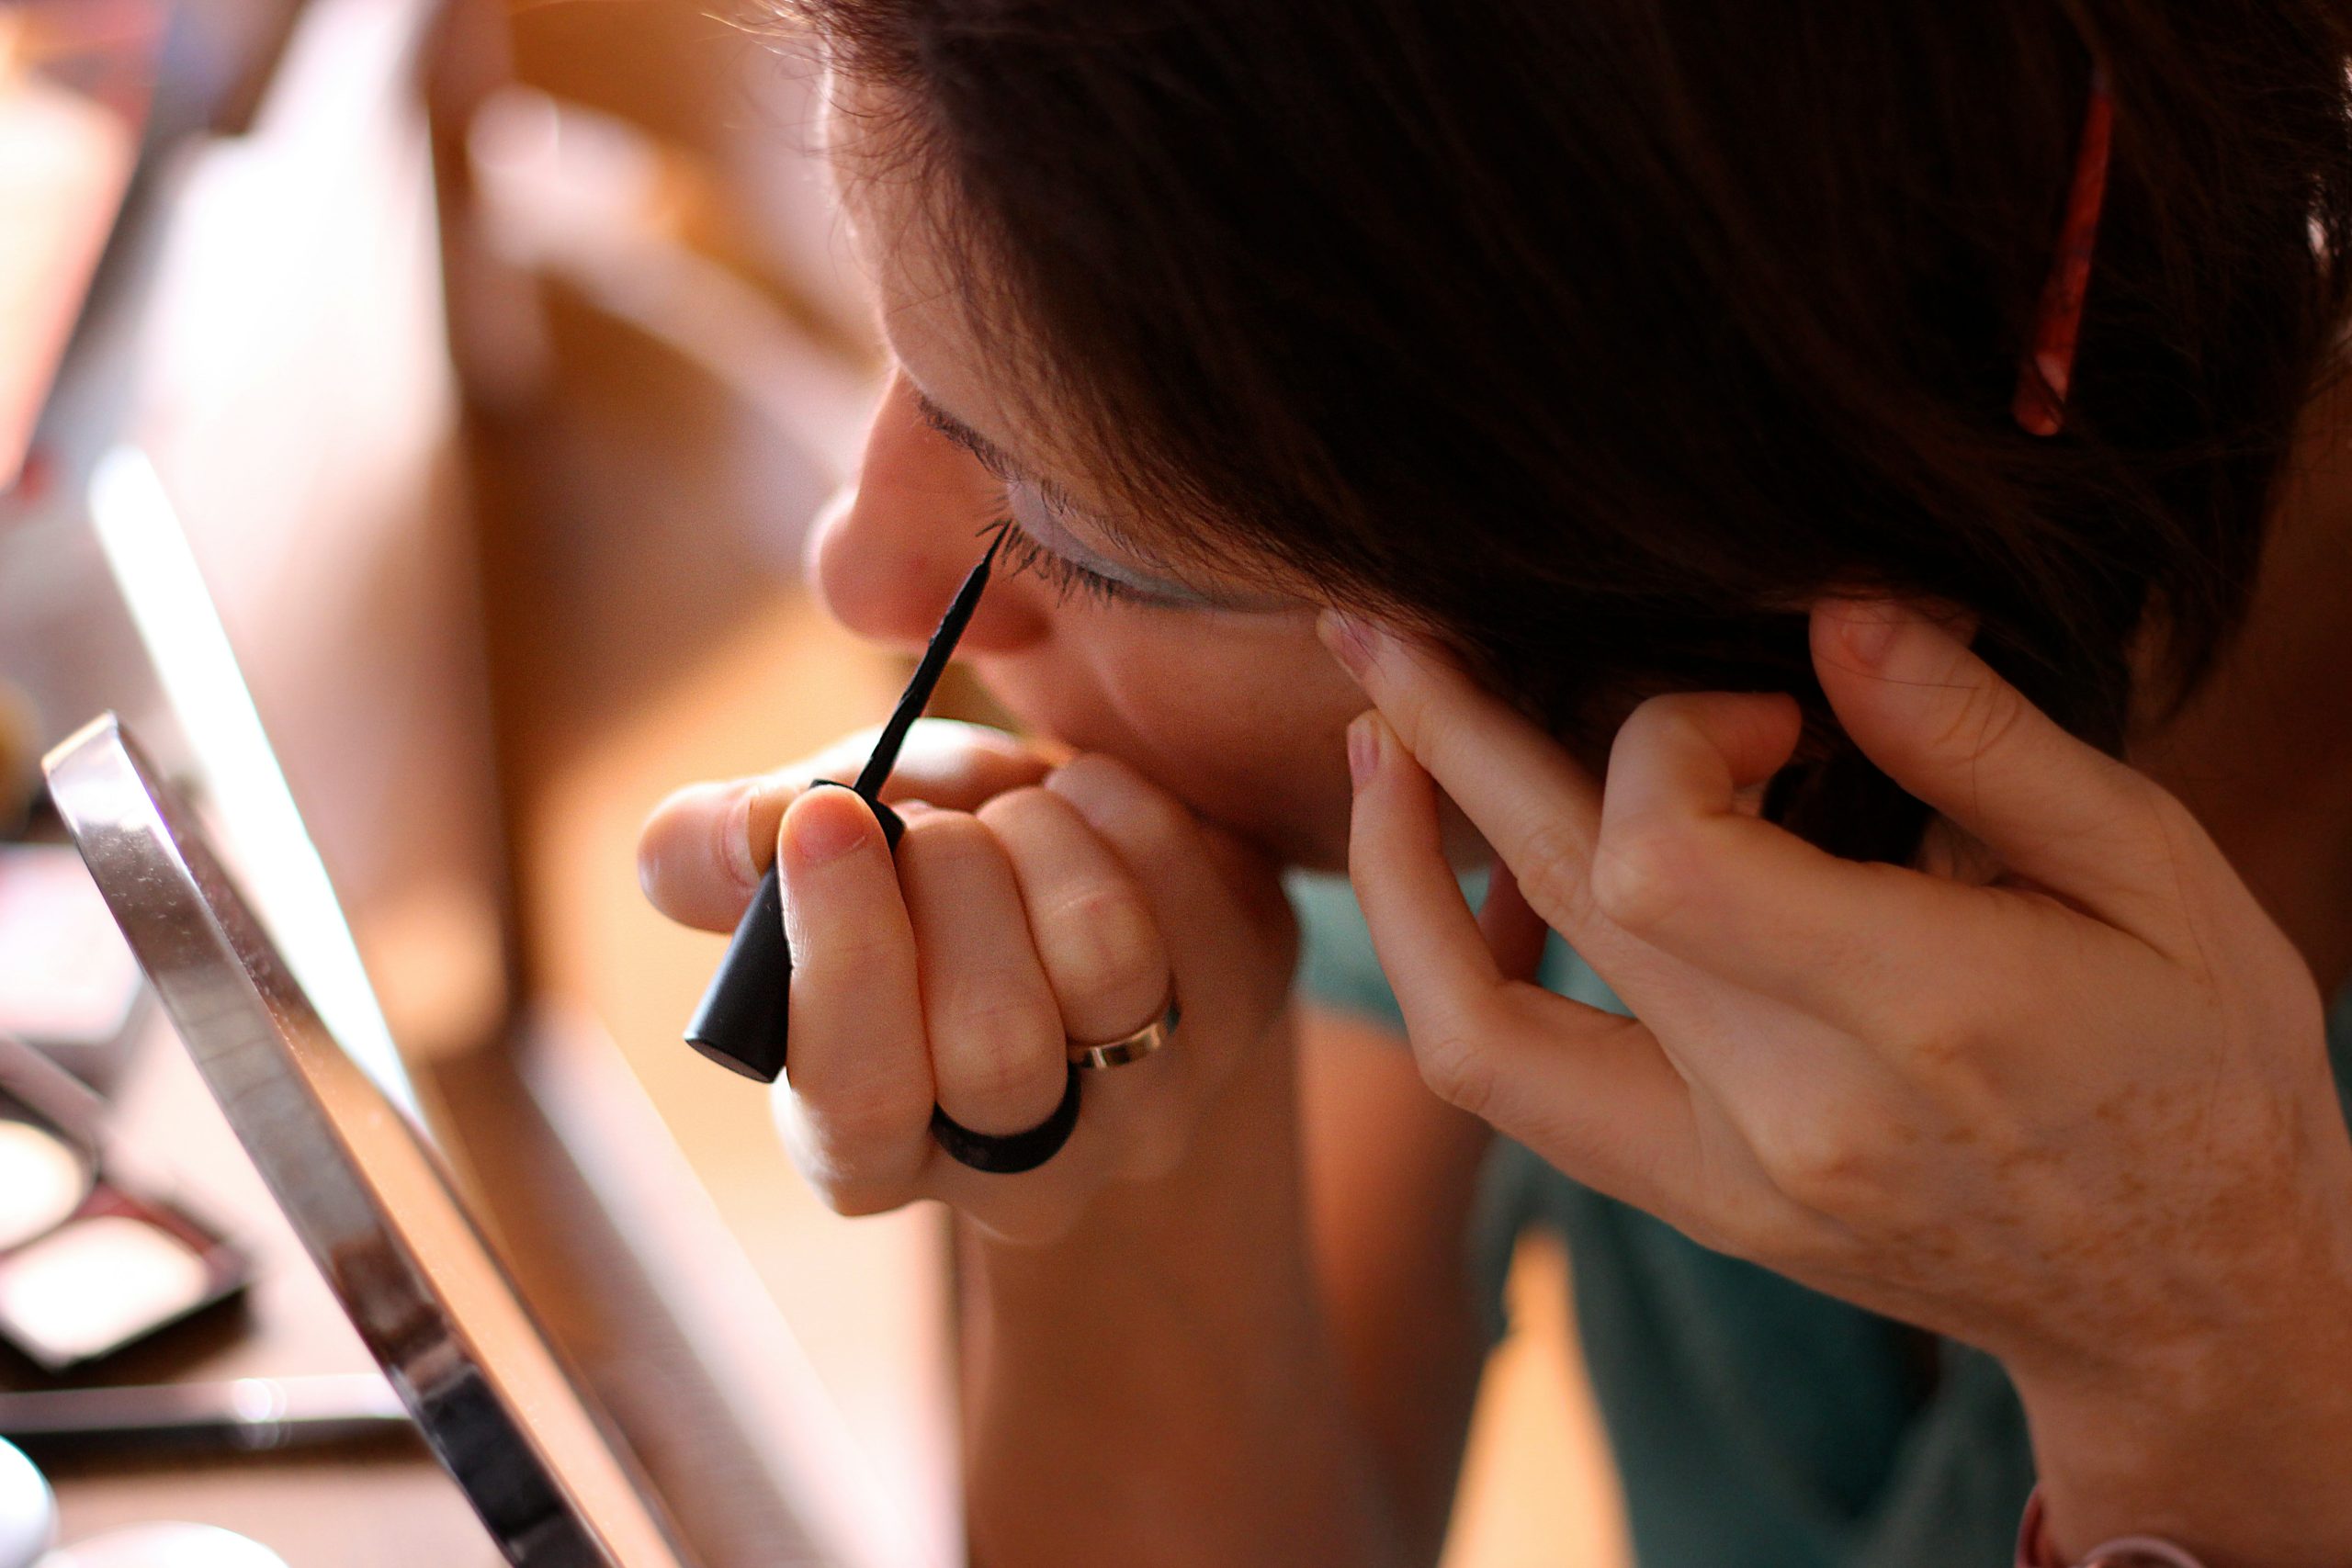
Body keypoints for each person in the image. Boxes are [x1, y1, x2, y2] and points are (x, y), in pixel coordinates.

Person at [635, 3, 2352, 1563]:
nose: (855, 570)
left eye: (1064, 532)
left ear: (1731, 580)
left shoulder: (1504, 643)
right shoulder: (1494, 763)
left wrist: (2208, 1369)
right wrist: (1125, 1090)